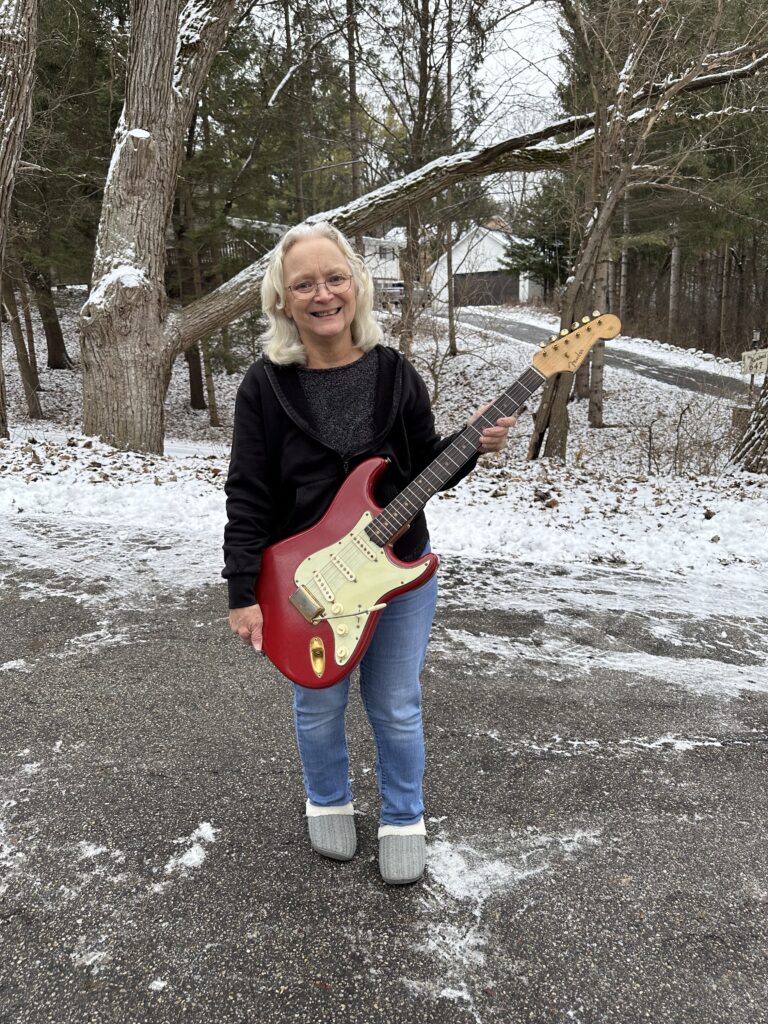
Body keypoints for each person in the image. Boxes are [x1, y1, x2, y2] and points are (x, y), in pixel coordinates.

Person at [223, 222, 515, 885]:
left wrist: (472, 447)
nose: (323, 294)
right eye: (304, 284)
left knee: (396, 703)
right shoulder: (264, 387)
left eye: (334, 277)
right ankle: (327, 799)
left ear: (355, 283)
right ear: (282, 299)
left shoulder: (395, 373)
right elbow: (248, 494)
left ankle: (403, 815)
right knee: (317, 702)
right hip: (307, 580)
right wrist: (243, 591)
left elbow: (418, 476)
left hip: (396, 574)